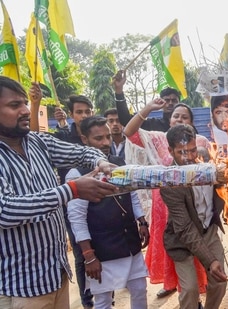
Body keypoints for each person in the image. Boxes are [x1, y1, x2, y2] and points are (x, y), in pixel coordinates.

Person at [0, 77, 118, 309]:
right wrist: (71, 190)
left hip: (56, 277)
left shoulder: (37, 142)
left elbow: (82, 153)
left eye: (25, 103)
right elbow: (5, 210)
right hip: (22, 288)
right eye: (15, 105)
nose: (25, 110)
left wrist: (101, 162)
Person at [124, 99, 209, 300]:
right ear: (169, 120)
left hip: (193, 206)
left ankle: (191, 295)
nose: (179, 119)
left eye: (184, 116)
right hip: (164, 206)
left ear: (191, 123)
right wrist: (149, 108)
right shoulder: (158, 138)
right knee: (173, 246)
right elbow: (129, 132)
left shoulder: (202, 142)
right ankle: (175, 285)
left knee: (193, 247)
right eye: (176, 115)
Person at [67, 116, 150, 309]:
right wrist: (89, 256)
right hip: (103, 249)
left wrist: (142, 221)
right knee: (103, 300)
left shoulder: (118, 162)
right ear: (84, 140)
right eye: (98, 138)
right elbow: (77, 220)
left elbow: (132, 194)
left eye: (107, 137)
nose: (105, 143)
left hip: (130, 242)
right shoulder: (77, 174)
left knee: (139, 289)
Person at [160, 124, 228, 308]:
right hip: (182, 239)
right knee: (189, 290)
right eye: (182, 152)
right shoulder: (168, 181)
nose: (189, 157)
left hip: (209, 231)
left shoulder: (208, 164)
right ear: (170, 151)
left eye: (192, 150)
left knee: (220, 281)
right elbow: (184, 228)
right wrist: (210, 261)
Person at [52, 94, 96, 309]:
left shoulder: (96, 134)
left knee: (100, 247)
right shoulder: (61, 137)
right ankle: (87, 298)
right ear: (71, 115)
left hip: (97, 198)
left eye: (87, 111)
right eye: (79, 112)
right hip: (73, 199)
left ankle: (104, 292)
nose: (84, 115)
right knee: (82, 251)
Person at [112, 69, 180, 132]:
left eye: (174, 100)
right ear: (161, 102)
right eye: (167, 100)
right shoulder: (153, 125)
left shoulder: (187, 126)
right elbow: (126, 121)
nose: (170, 103)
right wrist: (119, 91)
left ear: (179, 103)